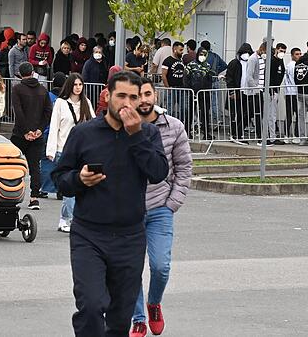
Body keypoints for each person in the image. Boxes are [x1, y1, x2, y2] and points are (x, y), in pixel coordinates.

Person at [51, 71, 168, 337]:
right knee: (91, 307)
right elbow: (59, 178)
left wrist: (135, 133)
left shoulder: (147, 133)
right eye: (121, 96)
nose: (127, 103)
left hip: (130, 236)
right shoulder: (84, 133)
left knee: (120, 317)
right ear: (107, 95)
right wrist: (79, 179)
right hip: (89, 235)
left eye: (133, 97)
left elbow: (159, 172)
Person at [130, 79, 193, 337]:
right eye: (138, 95)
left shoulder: (173, 127)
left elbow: (184, 168)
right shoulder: (124, 126)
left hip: (160, 209)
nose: (143, 99)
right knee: (131, 268)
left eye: (148, 94)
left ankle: (154, 303)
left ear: (155, 95)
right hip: (129, 211)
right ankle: (138, 319)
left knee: (160, 266)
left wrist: (172, 203)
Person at [47, 73, 95, 232]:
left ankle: (76, 218)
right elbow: (54, 127)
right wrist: (51, 150)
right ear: (69, 86)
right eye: (75, 84)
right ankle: (66, 219)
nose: (78, 87)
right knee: (71, 187)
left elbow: (94, 125)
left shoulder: (86, 103)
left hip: (84, 150)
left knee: (85, 187)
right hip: (64, 150)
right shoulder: (60, 103)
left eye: (80, 84)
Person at [11, 62, 53, 210]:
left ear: (20, 74)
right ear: (33, 72)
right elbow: (48, 112)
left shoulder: (17, 89)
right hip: (38, 134)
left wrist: (25, 131)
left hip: (20, 133)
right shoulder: (43, 89)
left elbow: (18, 111)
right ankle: (34, 197)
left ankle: (11, 193)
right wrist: (39, 130)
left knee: (13, 164)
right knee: (35, 166)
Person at [184, 48, 216, 140]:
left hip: (204, 93)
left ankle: (206, 133)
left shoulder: (208, 66)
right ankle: (187, 132)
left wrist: (208, 89)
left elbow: (210, 79)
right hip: (192, 92)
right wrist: (189, 90)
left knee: (205, 113)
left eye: (204, 54)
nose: (202, 56)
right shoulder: (191, 65)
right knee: (190, 112)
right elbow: (186, 79)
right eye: (201, 54)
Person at [225, 43, 255, 144]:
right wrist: (232, 91)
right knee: (235, 113)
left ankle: (239, 132)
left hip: (248, 92)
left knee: (247, 113)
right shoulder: (234, 63)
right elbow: (229, 78)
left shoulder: (251, 63)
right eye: (244, 52)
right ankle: (234, 134)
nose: (246, 54)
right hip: (237, 92)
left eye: (248, 53)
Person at [243, 42, 268, 142]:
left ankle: (259, 136)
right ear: (261, 48)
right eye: (266, 51)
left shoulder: (262, 59)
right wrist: (256, 88)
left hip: (259, 90)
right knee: (252, 113)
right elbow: (249, 77)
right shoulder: (253, 59)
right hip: (254, 91)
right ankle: (258, 137)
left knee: (256, 114)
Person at [284, 48, 303, 144]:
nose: (299, 55)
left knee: (291, 115)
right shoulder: (293, 65)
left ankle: (288, 135)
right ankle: (293, 135)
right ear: (292, 55)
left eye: (300, 54)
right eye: (297, 54)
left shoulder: (290, 65)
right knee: (294, 115)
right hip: (293, 93)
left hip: (290, 93)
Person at [294, 49, 308, 146]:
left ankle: (303, 138)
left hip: (300, 92)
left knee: (301, 116)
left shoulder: (299, 61)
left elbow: (296, 78)